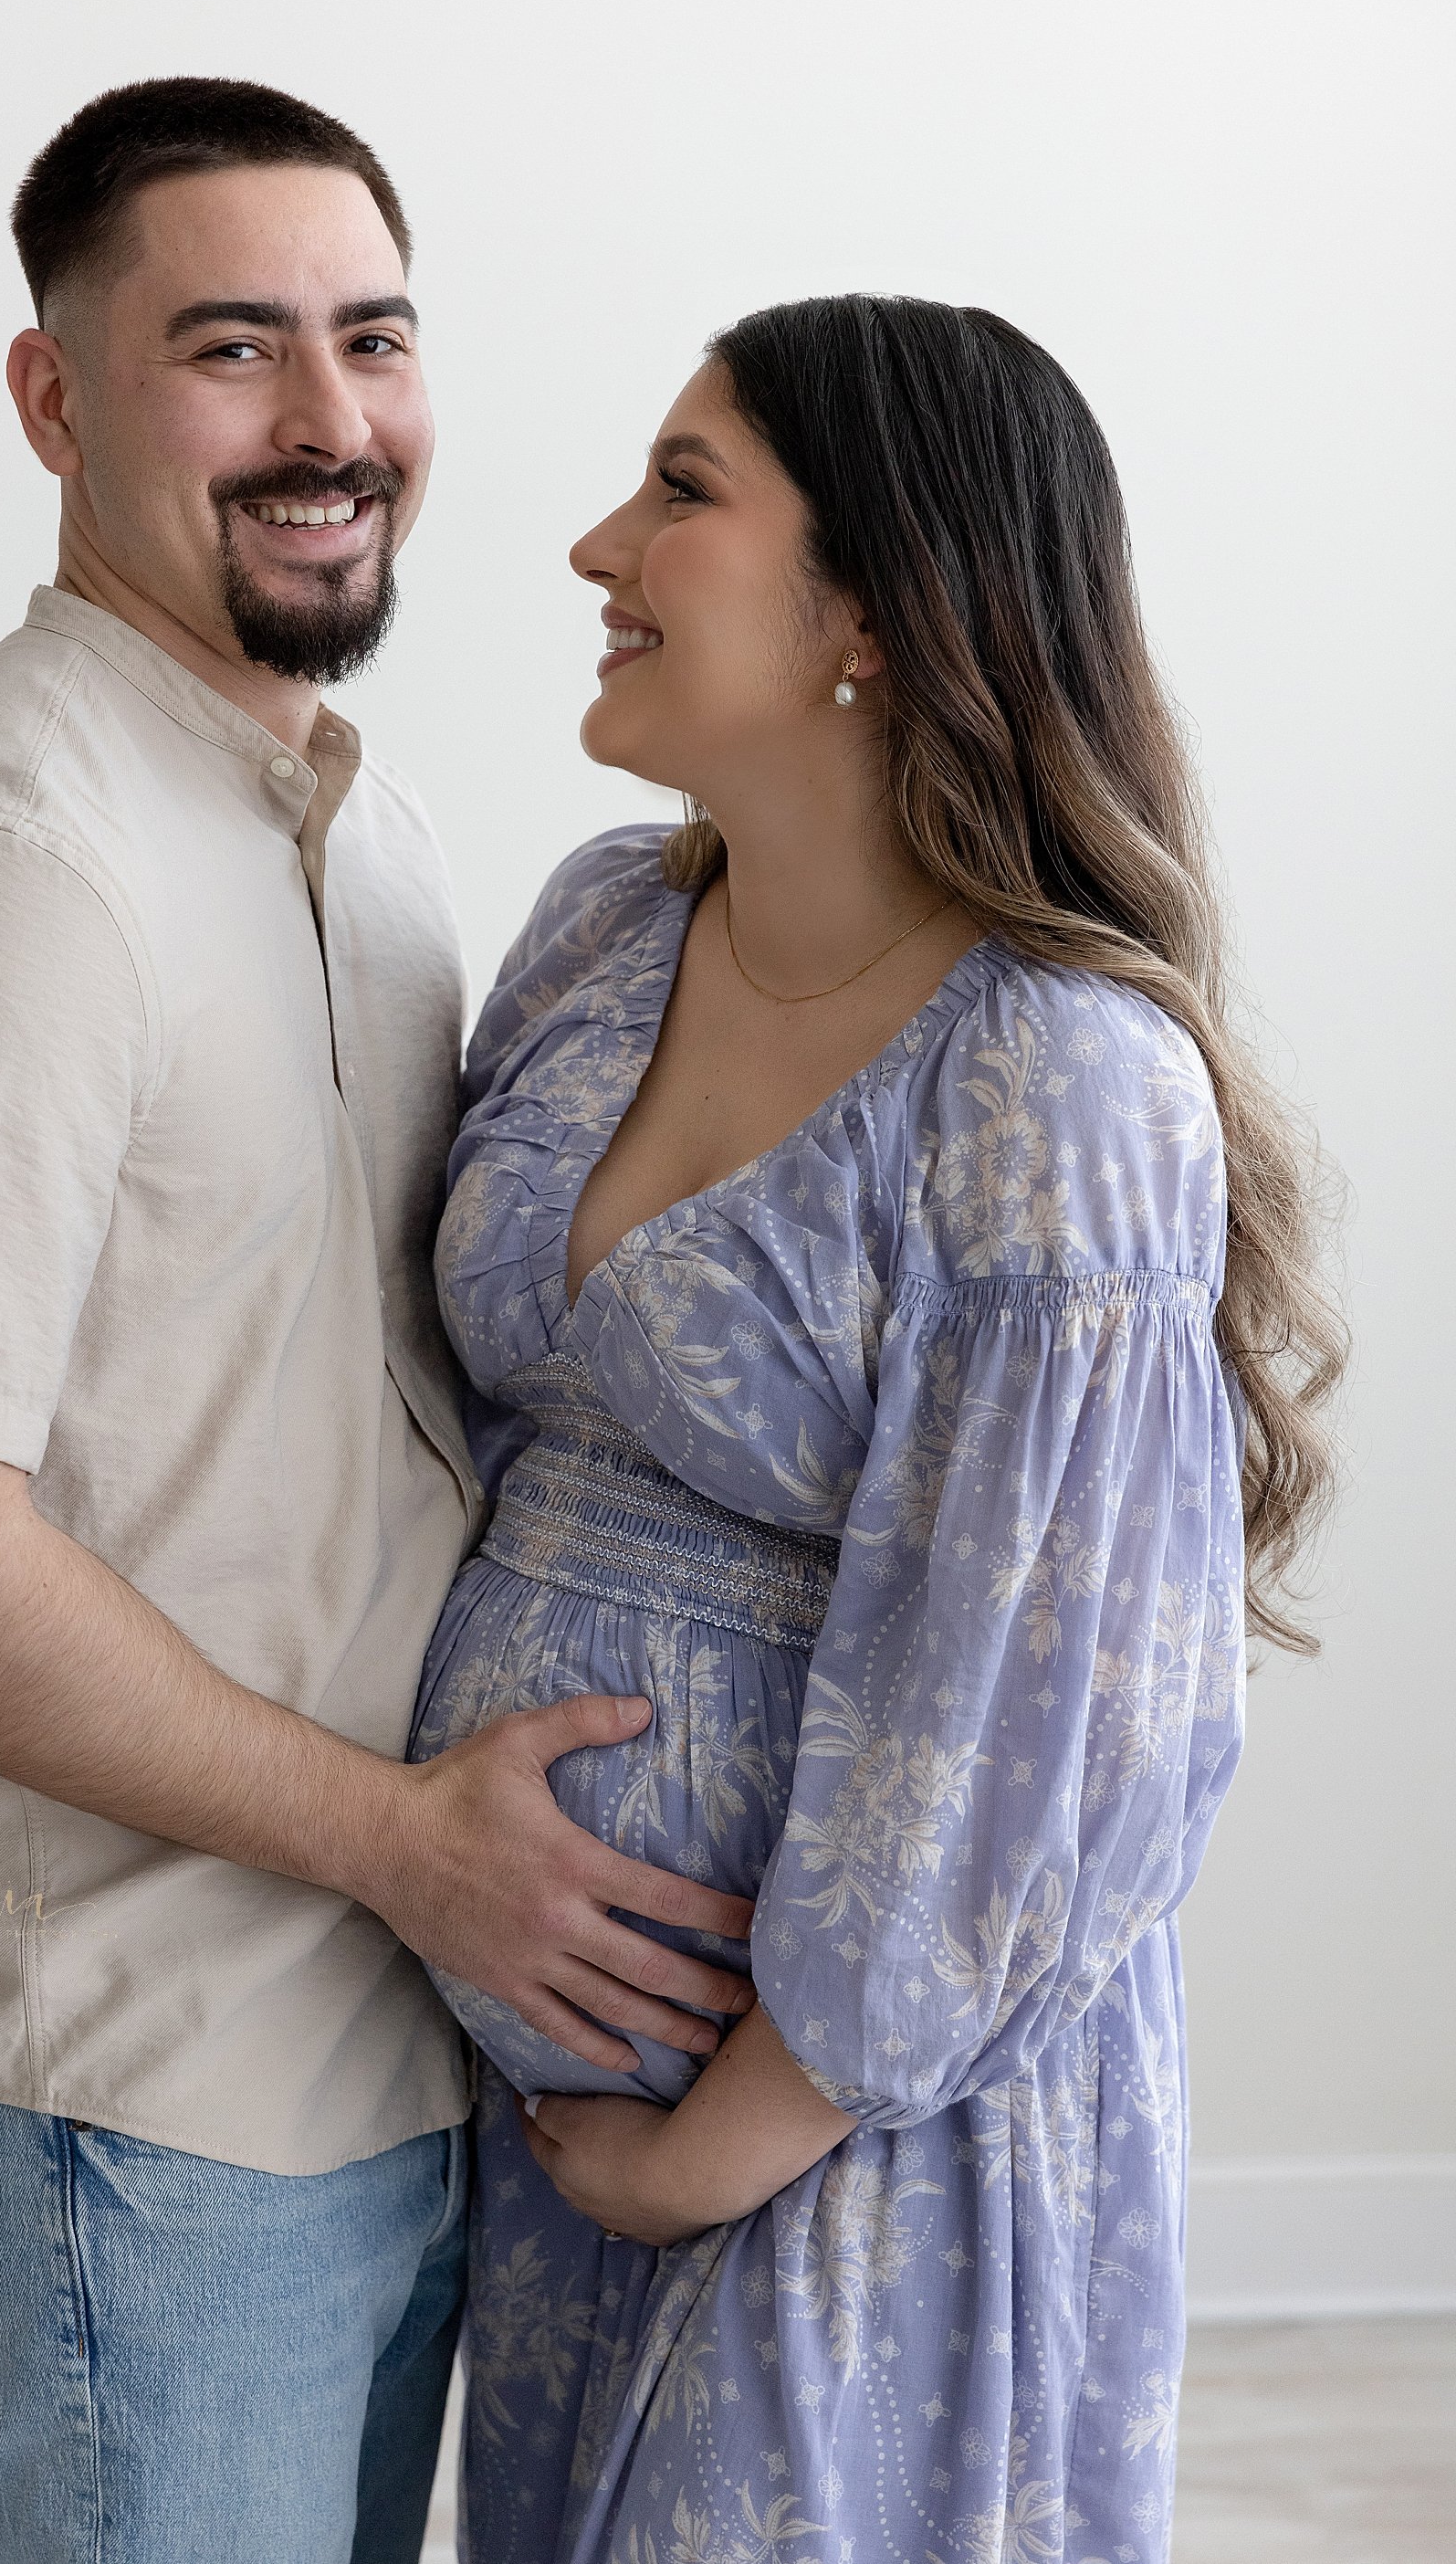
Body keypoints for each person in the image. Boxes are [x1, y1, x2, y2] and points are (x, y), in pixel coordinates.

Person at [0, 77, 757, 2564]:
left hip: (386, 2063)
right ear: (53, 400)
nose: (333, 426)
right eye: (233, 350)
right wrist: (412, 1848)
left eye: (376, 341)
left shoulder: (365, 833)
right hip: (124, 2089)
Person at [409, 294, 1345, 2564]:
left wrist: (724, 2134)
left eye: (683, 490)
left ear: (877, 611)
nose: (594, 544)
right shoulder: (605, 933)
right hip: (542, 2126)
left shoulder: (1056, 1079)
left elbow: (1045, 1714)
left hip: (850, 2141)